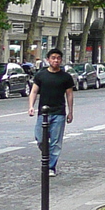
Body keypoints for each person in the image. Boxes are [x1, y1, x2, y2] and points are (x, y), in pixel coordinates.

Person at [27, 48, 76, 176]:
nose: (56, 60)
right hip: (43, 113)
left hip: (59, 112)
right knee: (40, 138)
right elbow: (33, 91)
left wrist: (70, 112)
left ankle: (50, 167)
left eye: (58, 58)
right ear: (48, 59)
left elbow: (69, 95)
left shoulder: (66, 77)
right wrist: (31, 106)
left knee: (55, 141)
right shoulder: (41, 75)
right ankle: (47, 155)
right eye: (53, 58)